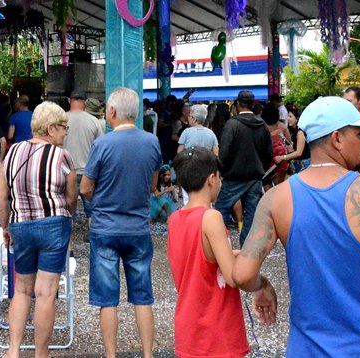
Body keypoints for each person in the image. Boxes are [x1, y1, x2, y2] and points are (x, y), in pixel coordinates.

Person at [232, 96, 360, 356]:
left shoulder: (275, 199)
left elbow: (243, 275)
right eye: (359, 135)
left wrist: (262, 286)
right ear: (337, 139)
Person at [80, 87, 162, 358]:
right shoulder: (152, 142)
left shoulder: (102, 143)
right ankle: (148, 354)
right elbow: (152, 185)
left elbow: (85, 187)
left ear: (112, 112)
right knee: (142, 295)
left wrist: (102, 197)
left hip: (105, 227)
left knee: (107, 299)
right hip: (138, 227)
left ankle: (111, 355)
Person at [0, 101, 76, 358]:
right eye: (64, 128)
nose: (65, 133)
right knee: (46, 292)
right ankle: (41, 354)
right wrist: (68, 216)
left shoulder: (12, 152)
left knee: (21, 289)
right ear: (51, 128)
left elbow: (0, 194)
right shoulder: (62, 156)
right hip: (53, 225)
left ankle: (14, 350)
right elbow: (71, 197)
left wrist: (6, 226)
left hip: (20, 225)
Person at [168, 148, 252, 358]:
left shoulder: (175, 219)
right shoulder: (211, 217)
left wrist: (226, 253)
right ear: (212, 179)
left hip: (189, 324)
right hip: (216, 328)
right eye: (220, 177)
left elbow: (196, 259)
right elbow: (233, 278)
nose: (221, 183)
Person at [214, 90, 273, 245]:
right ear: (253, 105)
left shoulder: (232, 124)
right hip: (255, 177)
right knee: (251, 214)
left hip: (233, 176)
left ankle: (219, 245)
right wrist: (260, 167)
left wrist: (221, 171)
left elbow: (224, 152)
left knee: (221, 210)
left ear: (238, 104)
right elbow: (269, 153)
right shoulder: (262, 125)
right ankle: (246, 249)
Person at [63, 90, 103, 221]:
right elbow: (100, 148)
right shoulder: (93, 121)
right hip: (87, 171)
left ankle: (68, 235)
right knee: (91, 208)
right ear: (85, 102)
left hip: (65, 170)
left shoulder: (61, 119)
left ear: (69, 100)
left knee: (67, 207)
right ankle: (92, 233)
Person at [262, 104, 290, 186]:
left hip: (265, 163)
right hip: (281, 162)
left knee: (267, 190)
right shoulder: (283, 127)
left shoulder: (261, 129)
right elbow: (289, 145)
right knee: (278, 187)